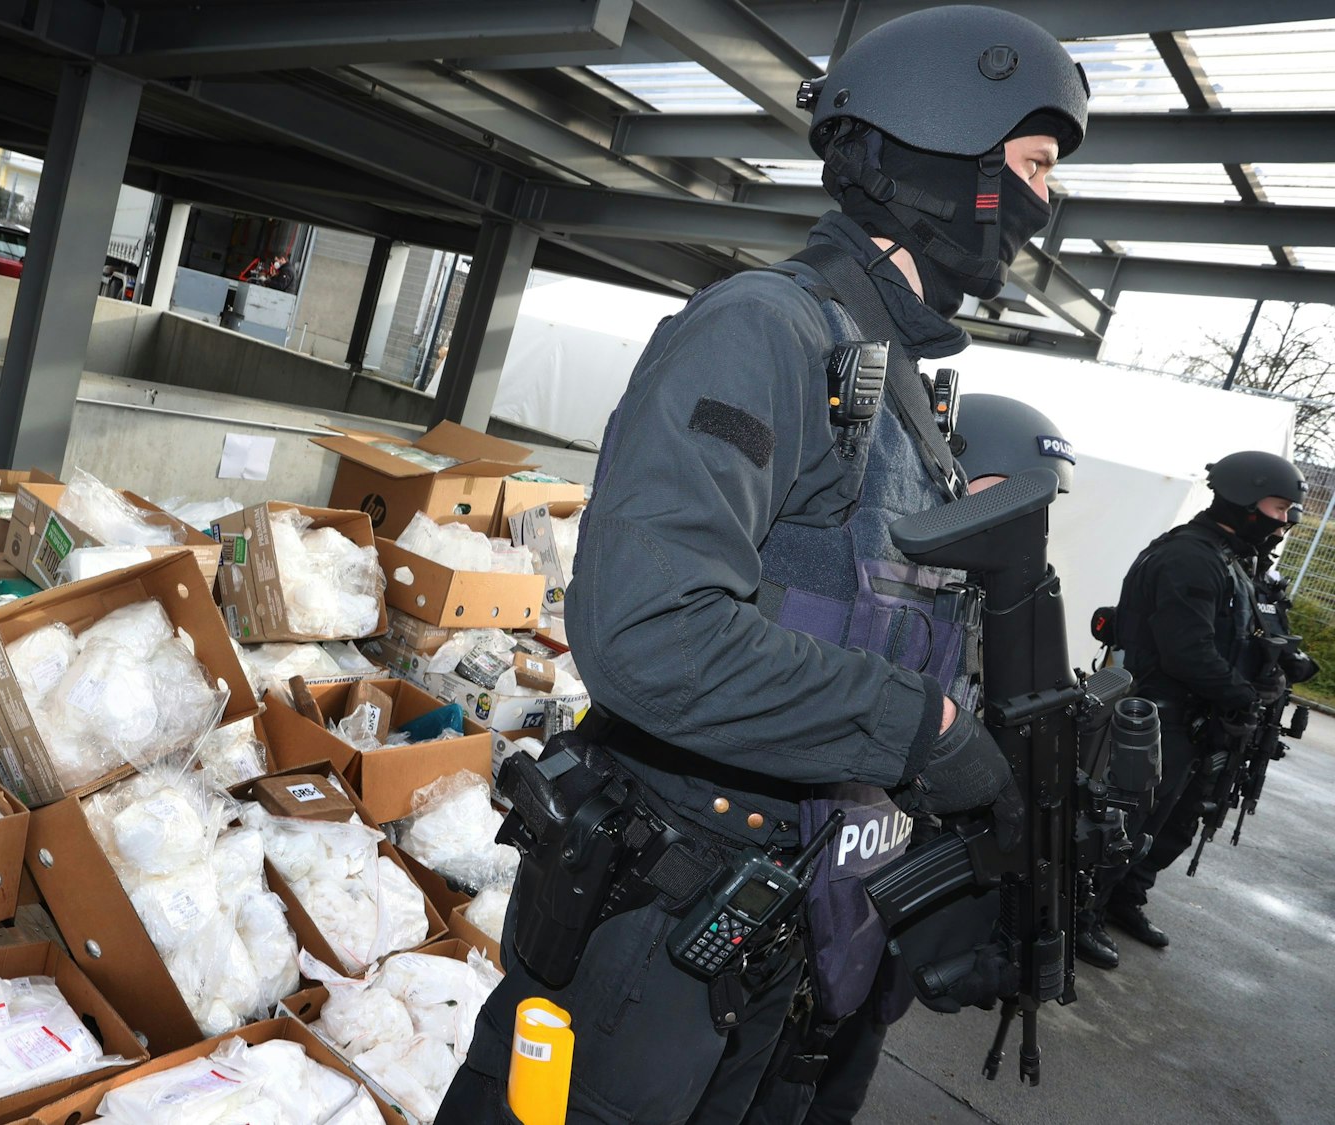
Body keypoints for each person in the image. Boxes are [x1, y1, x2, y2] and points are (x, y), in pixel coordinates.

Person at [437, 7, 1089, 1122]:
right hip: (658, 920)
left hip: (778, 909)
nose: (1045, 201)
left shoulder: (890, 383)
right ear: (948, 149)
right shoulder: (764, 331)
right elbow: (652, 637)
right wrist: (922, 731)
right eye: (1032, 164)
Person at [740, 394, 1079, 1125]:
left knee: (839, 1080)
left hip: (877, 902)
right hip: (802, 878)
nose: (1027, 523)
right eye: (1011, 495)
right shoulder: (868, 570)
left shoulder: (1000, 608)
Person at [1076, 450, 1306, 969]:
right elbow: (1187, 652)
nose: (1285, 521)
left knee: (1179, 822)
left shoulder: (1233, 557)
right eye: (1278, 507)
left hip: (1199, 718)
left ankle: (1122, 898)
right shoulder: (1190, 557)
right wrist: (1245, 696)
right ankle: (1078, 912)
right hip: (1158, 716)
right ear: (1244, 499)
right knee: (1127, 823)